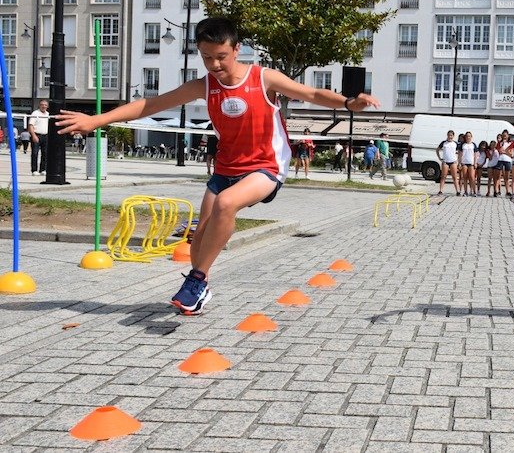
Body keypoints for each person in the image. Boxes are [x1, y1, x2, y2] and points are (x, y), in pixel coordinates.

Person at [55, 17, 379, 315]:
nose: (215, 64)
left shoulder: (262, 77)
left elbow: (312, 93)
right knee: (199, 243)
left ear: (237, 49)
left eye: (222, 56)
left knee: (226, 205)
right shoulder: (204, 85)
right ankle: (201, 285)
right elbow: (150, 105)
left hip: (266, 166)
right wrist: (97, 120)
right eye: (207, 57)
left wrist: (349, 104)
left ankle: (195, 280)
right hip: (226, 168)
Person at [28, 99, 50, 176]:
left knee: (45, 153)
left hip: (45, 135)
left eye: (45, 105)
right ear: (39, 105)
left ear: (47, 106)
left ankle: (43, 169)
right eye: (42, 104)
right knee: (35, 153)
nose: (43, 106)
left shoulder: (48, 114)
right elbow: (30, 125)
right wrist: (33, 135)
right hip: (36, 135)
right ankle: (34, 170)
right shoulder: (35, 113)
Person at [436, 130, 459, 195]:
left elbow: (460, 152)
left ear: (453, 136)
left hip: (453, 162)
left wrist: (458, 159)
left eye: (451, 135)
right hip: (445, 162)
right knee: (443, 176)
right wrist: (439, 158)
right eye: (449, 135)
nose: (450, 136)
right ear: (447, 135)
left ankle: (457, 191)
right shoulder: (444, 143)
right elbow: (437, 149)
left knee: (454, 177)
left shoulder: (455, 143)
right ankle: (441, 190)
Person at [458, 132, 478, 196]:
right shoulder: (463, 145)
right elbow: (460, 154)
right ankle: (465, 191)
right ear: (465, 137)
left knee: (472, 177)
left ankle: (473, 191)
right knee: (465, 177)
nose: (468, 137)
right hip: (464, 163)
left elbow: (475, 155)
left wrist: (475, 163)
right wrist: (459, 163)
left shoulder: (473, 144)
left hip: (471, 163)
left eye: (469, 136)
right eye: (467, 136)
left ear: (471, 137)